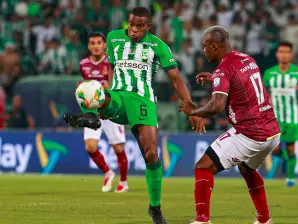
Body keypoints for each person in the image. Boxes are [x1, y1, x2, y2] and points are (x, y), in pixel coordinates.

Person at [64, 7, 204, 224]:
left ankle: (155, 207)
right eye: (131, 25)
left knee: (151, 155)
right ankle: (92, 114)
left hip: (143, 100)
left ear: (148, 27)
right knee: (90, 87)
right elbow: (110, 68)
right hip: (118, 96)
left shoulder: (158, 46)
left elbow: (176, 79)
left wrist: (191, 110)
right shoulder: (113, 38)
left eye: (139, 26)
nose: (133, 30)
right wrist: (106, 94)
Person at [179, 25, 280, 224]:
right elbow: (240, 82)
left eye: (206, 46)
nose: (204, 50)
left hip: (251, 133)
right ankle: (264, 220)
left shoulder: (224, 68)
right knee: (246, 168)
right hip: (272, 133)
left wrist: (194, 111)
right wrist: (215, 79)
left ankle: (202, 220)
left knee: (203, 167)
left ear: (215, 46)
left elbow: (217, 106)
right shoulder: (246, 59)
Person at [79, 32, 129, 193]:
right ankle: (108, 172)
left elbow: (114, 87)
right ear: (88, 46)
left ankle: (124, 182)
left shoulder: (110, 62)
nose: (95, 46)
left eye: (98, 43)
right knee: (90, 147)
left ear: (104, 45)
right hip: (93, 112)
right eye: (92, 43)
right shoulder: (83, 64)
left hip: (110, 110)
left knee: (118, 149)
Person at [263, 41, 298, 187]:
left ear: (291, 55)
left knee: (291, 148)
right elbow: (264, 94)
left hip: (292, 117)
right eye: (281, 51)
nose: (284, 54)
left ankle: (290, 179)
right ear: (277, 54)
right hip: (274, 118)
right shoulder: (269, 73)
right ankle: (287, 161)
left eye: (287, 52)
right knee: (272, 147)